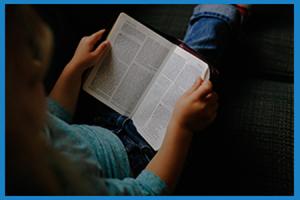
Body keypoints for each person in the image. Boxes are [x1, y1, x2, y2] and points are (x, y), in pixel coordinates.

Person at [6, 4, 246, 195]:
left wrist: (74, 69)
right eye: (32, 81)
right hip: (140, 158)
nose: (42, 86)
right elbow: (146, 192)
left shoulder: (23, 126)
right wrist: (181, 126)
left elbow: (54, 114)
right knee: (197, 68)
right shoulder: (64, 187)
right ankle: (221, 11)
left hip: (99, 123)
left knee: (167, 63)